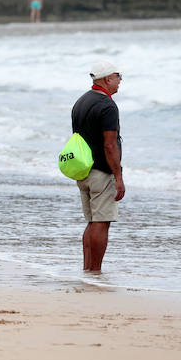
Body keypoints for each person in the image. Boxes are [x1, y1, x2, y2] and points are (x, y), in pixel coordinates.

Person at [70, 60, 125, 273]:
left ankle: (88, 270)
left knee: (92, 221)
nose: (120, 81)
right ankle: (95, 271)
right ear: (107, 78)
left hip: (82, 169)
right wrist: (118, 177)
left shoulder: (81, 101)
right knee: (102, 221)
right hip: (101, 170)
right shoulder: (107, 105)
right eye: (118, 76)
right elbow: (110, 145)